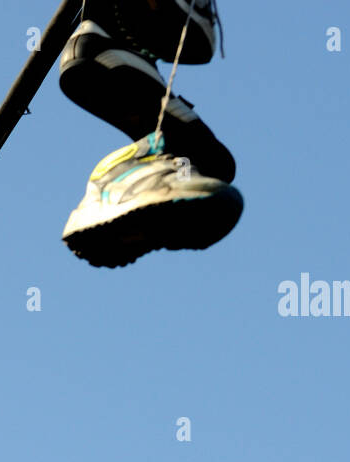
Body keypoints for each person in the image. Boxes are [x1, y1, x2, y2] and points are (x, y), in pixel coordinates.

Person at [59, 0, 243, 267]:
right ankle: (118, 182)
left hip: (109, 48)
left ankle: (122, 182)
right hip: (108, 48)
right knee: (202, 157)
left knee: (208, 160)